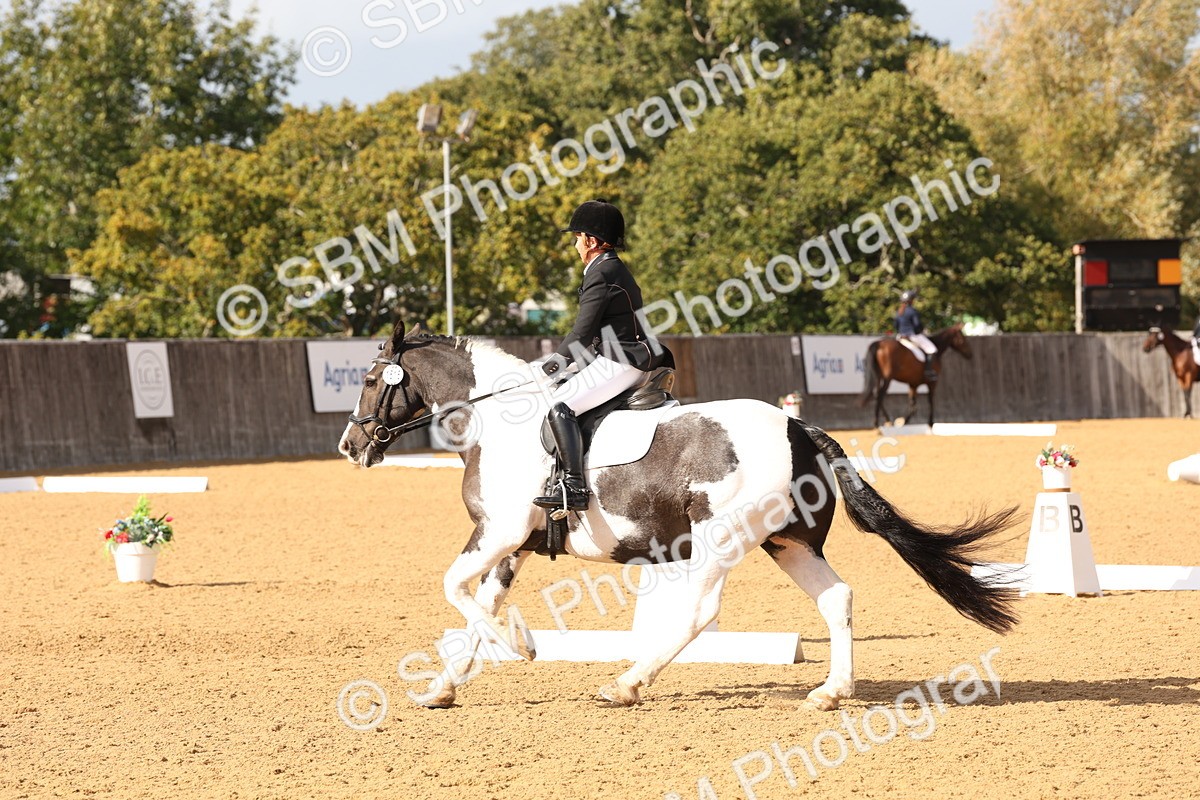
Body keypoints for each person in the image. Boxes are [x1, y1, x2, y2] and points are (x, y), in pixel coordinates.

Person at [532, 200, 668, 512]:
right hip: (619, 355)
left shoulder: (602, 272)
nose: (575, 244)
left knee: (559, 406)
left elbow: (581, 332)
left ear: (591, 242)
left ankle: (574, 486)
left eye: (577, 238)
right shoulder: (610, 268)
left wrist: (548, 368)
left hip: (623, 360)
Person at [894, 289, 938, 383]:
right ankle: (928, 370)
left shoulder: (899, 312)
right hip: (912, 336)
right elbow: (917, 325)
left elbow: (896, 326)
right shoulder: (912, 311)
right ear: (911, 301)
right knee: (932, 349)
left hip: (900, 337)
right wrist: (921, 331)